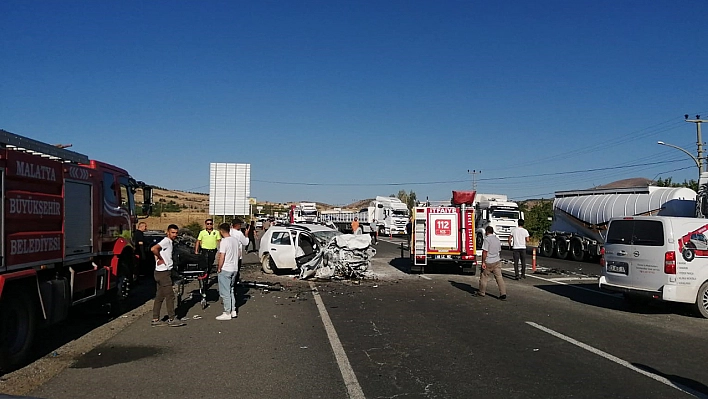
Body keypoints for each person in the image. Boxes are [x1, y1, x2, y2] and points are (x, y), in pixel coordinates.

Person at [151, 224, 185, 326]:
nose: (175, 235)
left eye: (176, 233)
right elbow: (153, 249)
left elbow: (156, 251)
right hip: (163, 273)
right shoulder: (166, 241)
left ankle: (155, 319)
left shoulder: (169, 242)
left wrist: (157, 258)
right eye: (172, 232)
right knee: (170, 295)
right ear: (168, 232)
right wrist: (160, 258)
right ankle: (172, 318)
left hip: (161, 271)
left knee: (160, 296)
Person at [216, 223, 240, 320]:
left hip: (226, 268)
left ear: (221, 231)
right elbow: (239, 254)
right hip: (234, 268)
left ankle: (227, 312)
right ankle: (233, 310)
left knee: (225, 292)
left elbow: (222, 256)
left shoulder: (224, 241)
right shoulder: (235, 240)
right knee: (231, 290)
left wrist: (219, 267)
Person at [477, 226, 507, 300]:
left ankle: (482, 292)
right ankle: (503, 293)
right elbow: (499, 250)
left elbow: (485, 252)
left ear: (487, 232)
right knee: (499, 278)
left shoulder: (487, 240)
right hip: (497, 261)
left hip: (489, 261)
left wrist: (483, 262)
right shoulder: (497, 240)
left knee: (484, 277)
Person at [195, 218, 221, 283]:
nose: (209, 225)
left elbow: (219, 241)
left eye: (210, 224)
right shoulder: (202, 232)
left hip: (213, 251)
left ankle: (207, 275)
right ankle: (204, 279)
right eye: (208, 224)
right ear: (205, 225)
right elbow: (198, 241)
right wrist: (196, 250)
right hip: (204, 250)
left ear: (212, 224)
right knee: (204, 264)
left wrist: (221, 251)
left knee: (210, 265)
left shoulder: (216, 232)